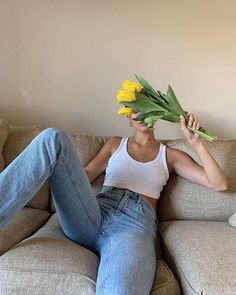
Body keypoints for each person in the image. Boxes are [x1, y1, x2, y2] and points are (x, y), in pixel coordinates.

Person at [0, 113, 228, 295]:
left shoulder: (169, 155)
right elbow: (84, 176)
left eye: (147, 108)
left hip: (134, 225)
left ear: (156, 115)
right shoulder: (115, 144)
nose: (141, 114)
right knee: (52, 137)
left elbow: (218, 184)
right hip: (93, 212)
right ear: (129, 117)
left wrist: (196, 142)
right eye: (135, 109)